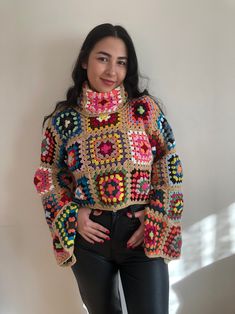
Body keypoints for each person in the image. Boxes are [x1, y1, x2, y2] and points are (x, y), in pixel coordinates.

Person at [33, 23, 184, 314]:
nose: (112, 71)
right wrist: (71, 214)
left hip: (141, 233)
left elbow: (169, 162)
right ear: (84, 59)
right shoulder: (64, 120)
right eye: (103, 58)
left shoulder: (144, 110)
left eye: (121, 62)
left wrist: (155, 214)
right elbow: (46, 174)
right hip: (90, 240)